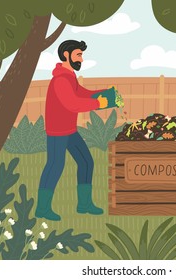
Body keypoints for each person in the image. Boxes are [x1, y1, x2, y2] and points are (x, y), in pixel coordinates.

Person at [35, 40, 109, 221]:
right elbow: (73, 104)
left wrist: (105, 93)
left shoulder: (69, 76)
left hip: (69, 130)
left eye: (81, 55)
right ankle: (42, 208)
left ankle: (84, 204)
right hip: (57, 132)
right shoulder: (60, 80)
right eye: (78, 55)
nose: (81, 59)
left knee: (86, 162)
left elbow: (82, 93)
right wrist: (100, 103)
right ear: (66, 55)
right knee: (55, 165)